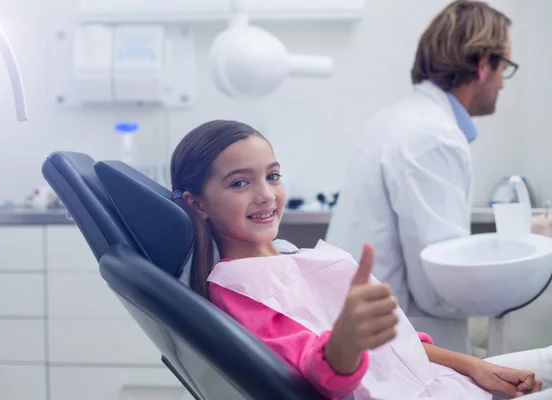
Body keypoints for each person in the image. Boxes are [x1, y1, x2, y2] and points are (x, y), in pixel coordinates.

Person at [170, 119, 551, 400]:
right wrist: (346, 341)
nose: (266, 195)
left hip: (435, 378)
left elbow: (399, 344)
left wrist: (475, 366)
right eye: (240, 183)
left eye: (272, 176)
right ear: (197, 203)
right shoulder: (239, 289)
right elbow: (317, 368)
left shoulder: (292, 258)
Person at [325, 0, 525, 353]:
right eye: (503, 67)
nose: (503, 84)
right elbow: (438, 288)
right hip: (400, 349)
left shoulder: (397, 119)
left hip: (364, 335)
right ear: (482, 65)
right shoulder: (433, 136)